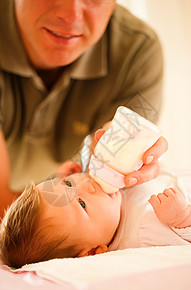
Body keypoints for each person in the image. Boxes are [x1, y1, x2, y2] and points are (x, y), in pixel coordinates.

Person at [0, 0, 168, 218]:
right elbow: (4, 207)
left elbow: (108, 196)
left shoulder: (137, 53)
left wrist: (119, 165)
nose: (72, 17)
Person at [1, 167, 191, 268]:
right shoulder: (144, 233)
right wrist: (184, 217)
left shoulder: (114, 202)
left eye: (68, 184)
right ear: (92, 252)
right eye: (81, 204)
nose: (90, 184)